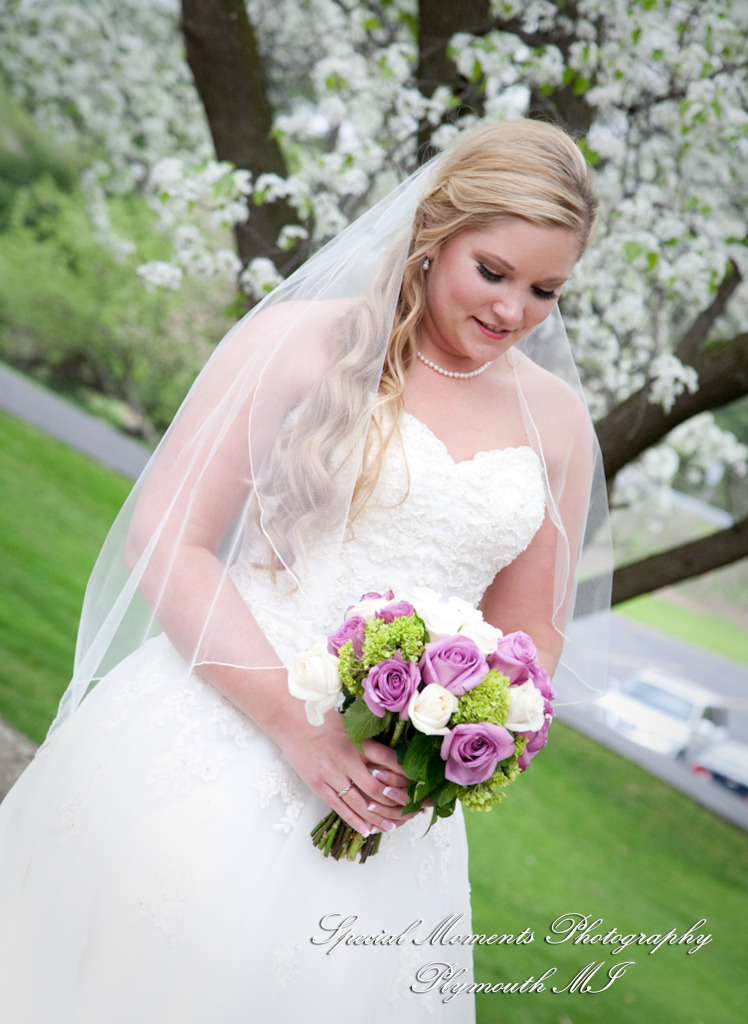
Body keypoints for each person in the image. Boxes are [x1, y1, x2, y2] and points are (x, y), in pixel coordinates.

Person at [0, 117, 609, 1022]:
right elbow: (167, 541)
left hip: (386, 808)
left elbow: (532, 638)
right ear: (435, 233)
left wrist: (455, 737)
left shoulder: (556, 422)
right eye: (493, 272)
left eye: (545, 290)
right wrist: (303, 728)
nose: (513, 311)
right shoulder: (295, 343)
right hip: (208, 740)